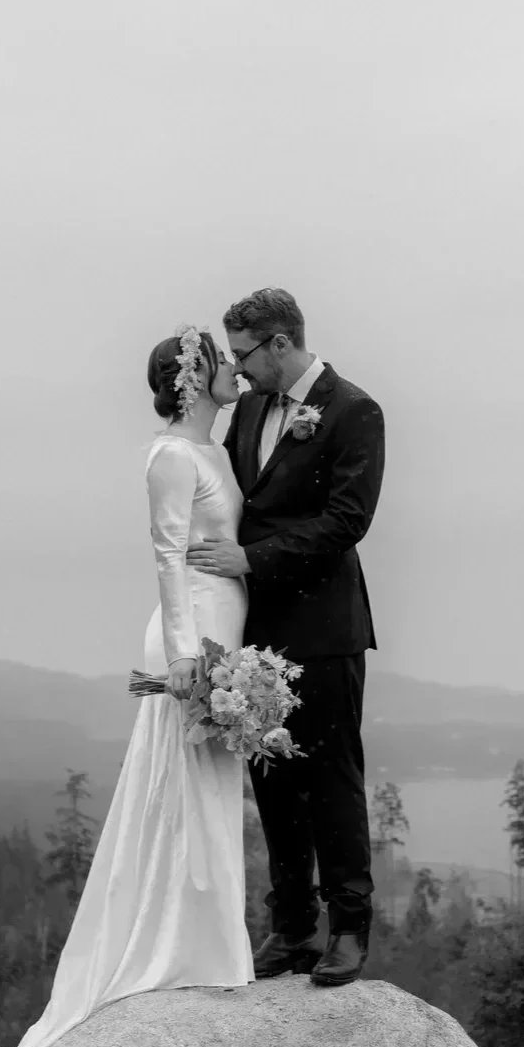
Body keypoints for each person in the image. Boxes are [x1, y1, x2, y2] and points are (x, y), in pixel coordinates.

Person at [0, 326, 253, 1047]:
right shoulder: (170, 454)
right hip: (192, 633)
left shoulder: (219, 450)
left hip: (226, 631)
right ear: (191, 379)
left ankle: (213, 939)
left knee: (213, 786)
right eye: (218, 362)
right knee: (180, 785)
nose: (234, 370)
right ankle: (180, 944)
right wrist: (182, 659)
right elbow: (167, 554)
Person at [187, 286, 385, 987]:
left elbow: (346, 521)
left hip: (325, 626)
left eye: (245, 356)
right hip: (256, 627)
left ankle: (349, 929)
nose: (238, 371)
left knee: (330, 779)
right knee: (270, 780)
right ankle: (292, 926)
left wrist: (254, 560)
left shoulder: (354, 411)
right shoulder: (246, 413)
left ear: (280, 343)